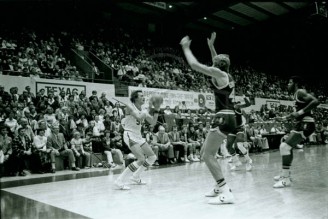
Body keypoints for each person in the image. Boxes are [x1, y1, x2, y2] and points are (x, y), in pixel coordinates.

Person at [180, 32, 236, 204]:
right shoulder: (227, 75)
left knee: (208, 155)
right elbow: (216, 62)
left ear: (217, 65)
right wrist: (211, 47)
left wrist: (185, 48)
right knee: (204, 152)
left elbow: (195, 65)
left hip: (223, 117)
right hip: (228, 116)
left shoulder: (219, 74)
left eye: (215, 61)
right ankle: (219, 186)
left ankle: (226, 191)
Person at [273, 76, 319, 188]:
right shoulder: (296, 95)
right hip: (301, 124)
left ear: (295, 83)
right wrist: (283, 118)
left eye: (290, 82)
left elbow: (315, 101)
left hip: (306, 124)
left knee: (284, 147)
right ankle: (286, 173)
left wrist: (300, 113)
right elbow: (296, 114)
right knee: (286, 144)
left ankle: (286, 179)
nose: (288, 84)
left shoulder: (300, 92)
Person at [114, 91, 162, 190]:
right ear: (135, 98)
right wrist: (149, 108)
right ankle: (119, 180)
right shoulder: (129, 106)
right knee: (141, 159)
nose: (143, 97)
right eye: (141, 96)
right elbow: (139, 117)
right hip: (129, 134)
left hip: (138, 136)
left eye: (143, 96)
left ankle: (135, 177)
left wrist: (156, 109)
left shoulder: (143, 109)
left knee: (152, 157)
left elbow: (152, 122)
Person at [229, 95, 253, 171]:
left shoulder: (241, 110)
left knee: (241, 145)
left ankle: (248, 162)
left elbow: (248, 104)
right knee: (230, 146)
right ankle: (235, 162)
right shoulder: (229, 110)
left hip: (241, 128)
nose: (235, 104)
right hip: (232, 129)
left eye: (237, 103)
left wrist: (244, 97)